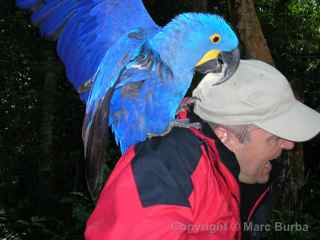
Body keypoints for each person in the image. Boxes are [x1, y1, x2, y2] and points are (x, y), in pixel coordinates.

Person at [84, 60, 320, 239]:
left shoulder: (234, 174)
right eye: (275, 137)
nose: (289, 144)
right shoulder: (166, 169)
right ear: (224, 135)